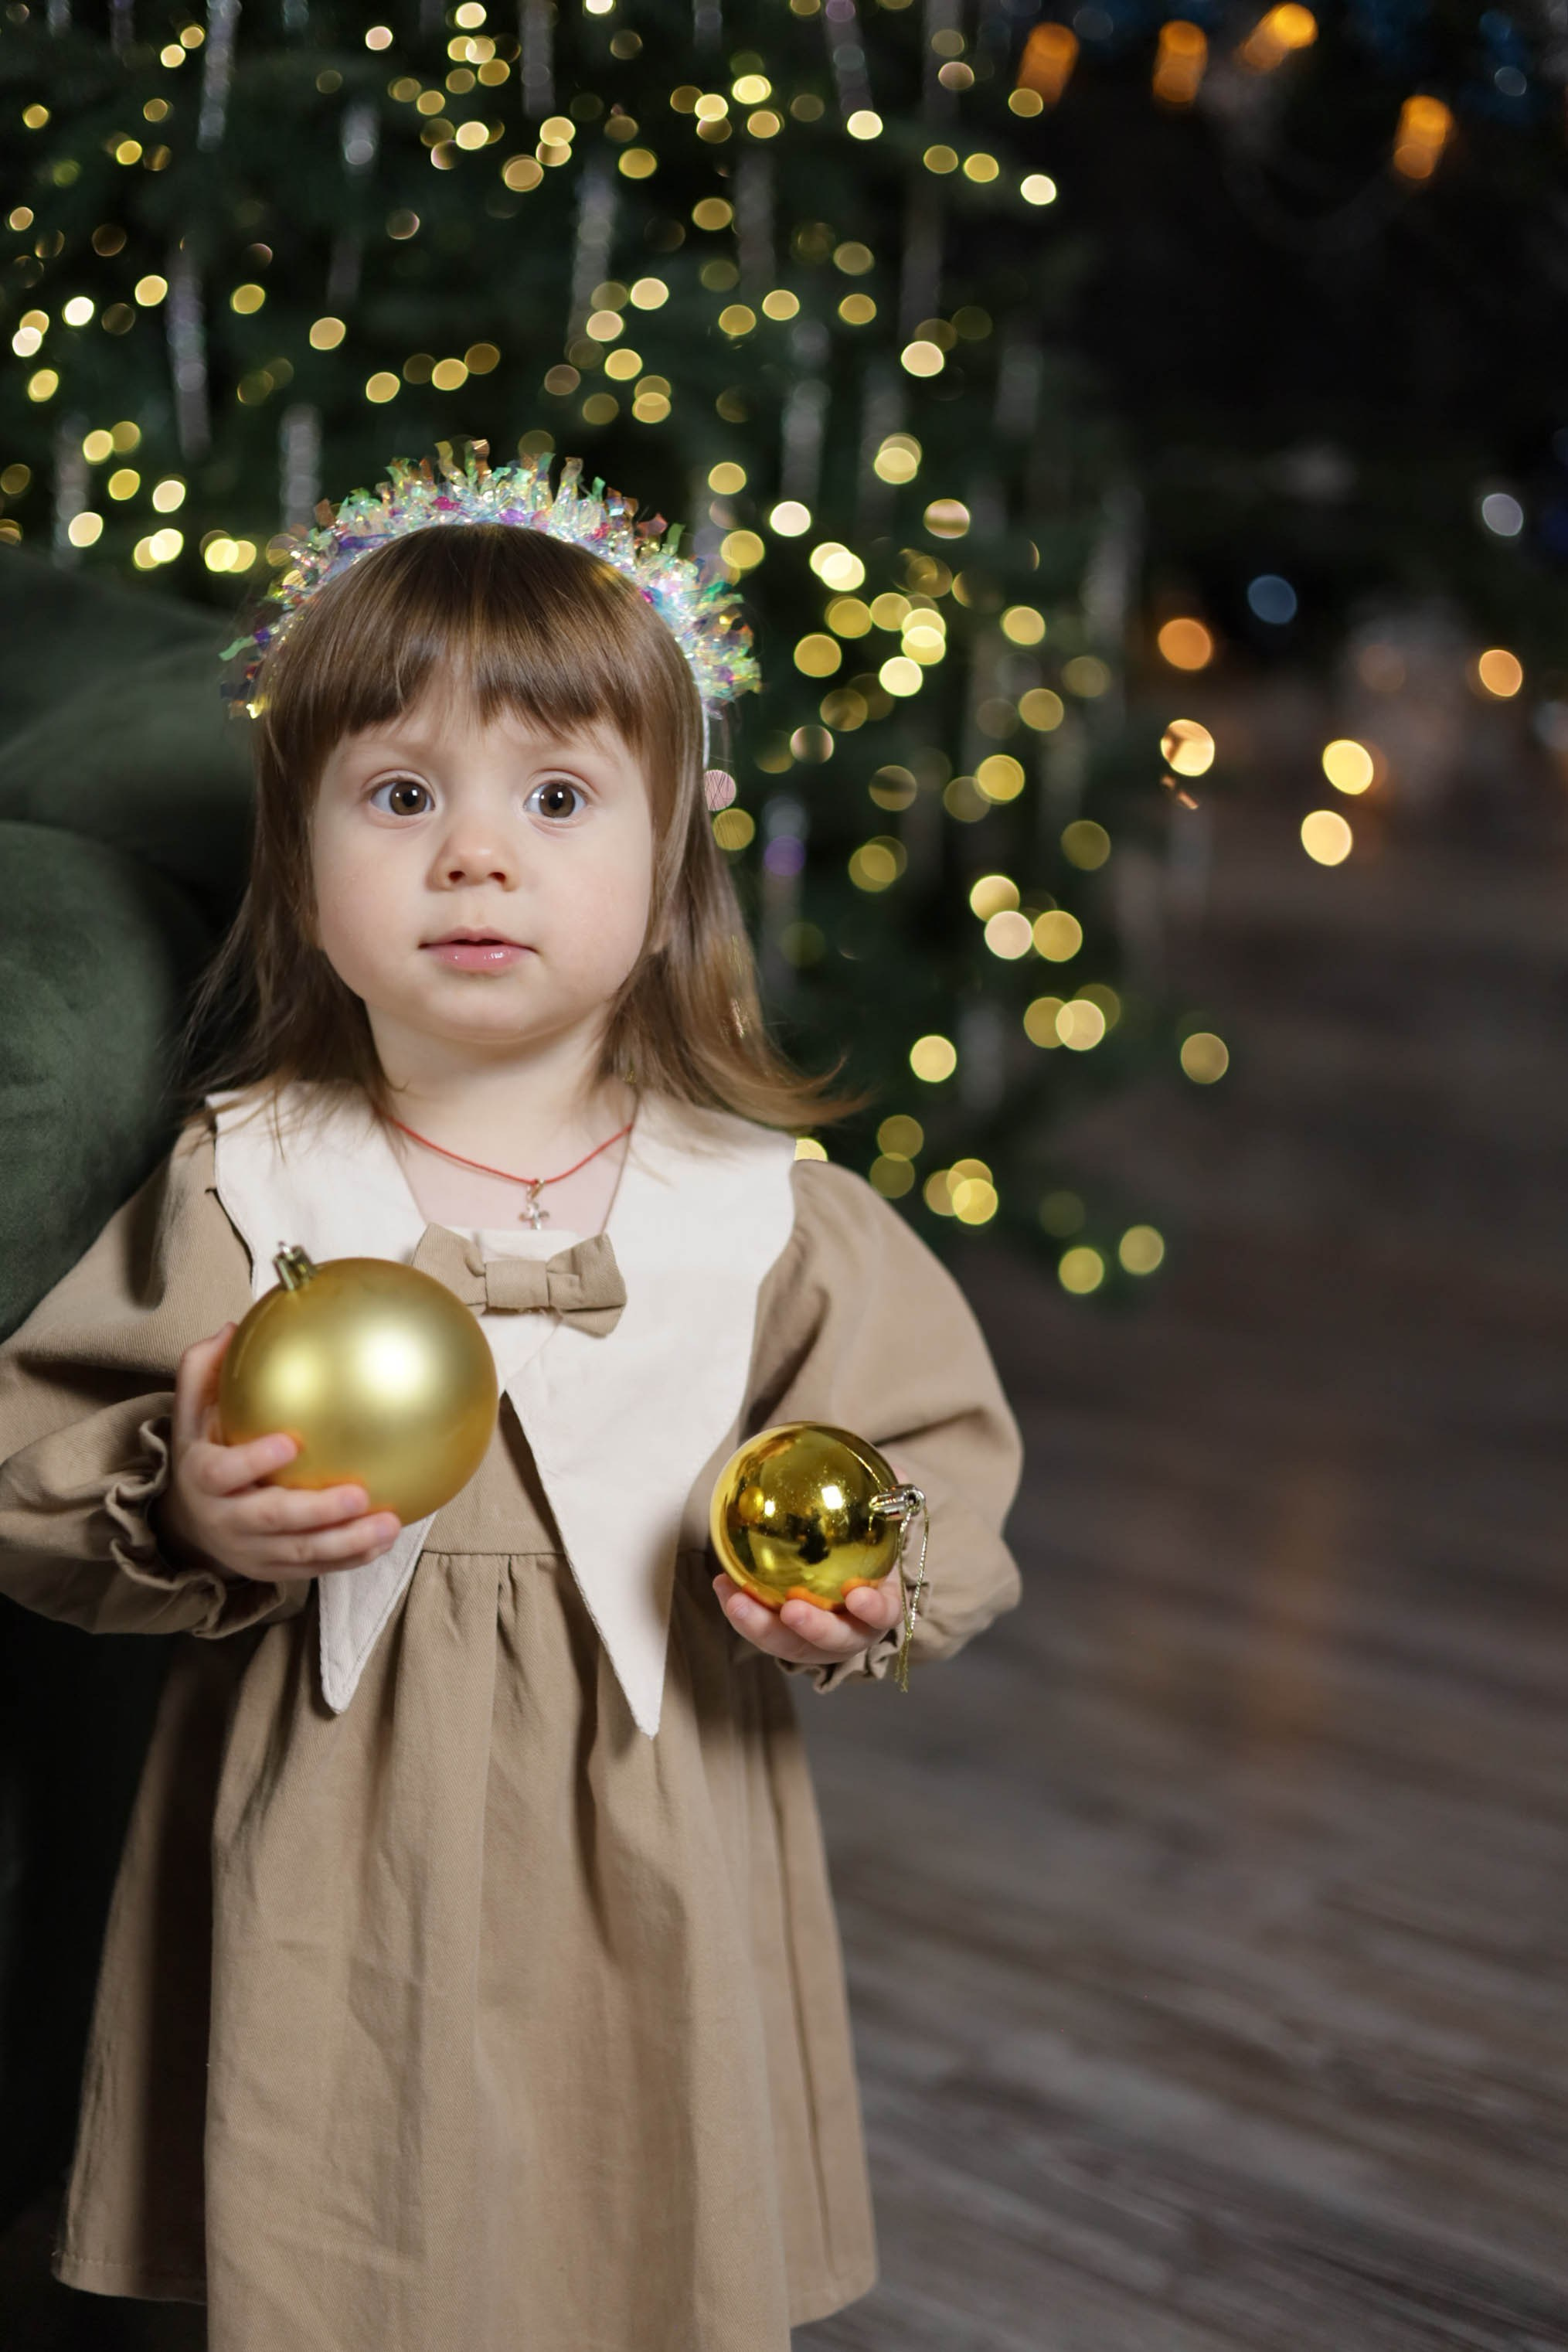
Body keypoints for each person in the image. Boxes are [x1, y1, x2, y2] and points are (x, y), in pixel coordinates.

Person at [0, 441, 1023, 2352]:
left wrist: (871, 1582)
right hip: (342, 1822)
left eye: (556, 796)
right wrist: (186, 1500)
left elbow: (922, 1457)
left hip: (650, 1815)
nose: (476, 854)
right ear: (304, 861)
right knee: (343, 2221)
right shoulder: (254, 1181)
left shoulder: (758, 1212)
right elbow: (41, 1450)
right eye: (401, 796)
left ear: (669, 862)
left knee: (624, 2212)